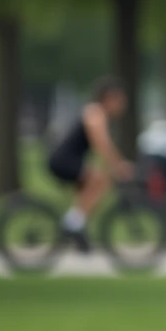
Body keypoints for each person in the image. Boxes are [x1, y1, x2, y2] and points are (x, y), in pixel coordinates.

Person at [47, 77, 134, 252]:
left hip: (70, 160)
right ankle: (72, 225)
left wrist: (115, 163)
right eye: (119, 100)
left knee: (90, 192)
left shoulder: (97, 114)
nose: (122, 105)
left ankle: (77, 228)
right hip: (62, 161)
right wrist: (118, 165)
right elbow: (101, 144)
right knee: (102, 181)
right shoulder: (95, 113)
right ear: (109, 98)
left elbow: (101, 147)